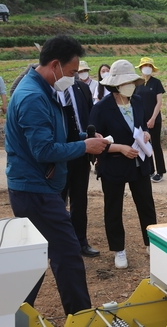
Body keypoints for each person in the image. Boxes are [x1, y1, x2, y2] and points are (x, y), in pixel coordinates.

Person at [5, 35, 108, 315]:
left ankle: (16, 313)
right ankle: (82, 317)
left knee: (37, 255)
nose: (75, 79)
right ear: (55, 65)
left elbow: (53, 134)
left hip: (38, 187)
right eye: (73, 72)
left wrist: (84, 138)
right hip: (35, 189)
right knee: (67, 253)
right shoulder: (33, 97)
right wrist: (84, 146)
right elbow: (43, 149)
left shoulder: (44, 90)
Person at [89, 59, 157, 269]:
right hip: (114, 164)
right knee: (113, 207)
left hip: (139, 162)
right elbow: (95, 142)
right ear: (116, 84)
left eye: (132, 82)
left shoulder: (136, 102)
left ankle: (151, 244)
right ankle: (119, 249)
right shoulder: (101, 108)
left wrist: (146, 133)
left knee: (146, 204)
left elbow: (141, 125)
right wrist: (119, 148)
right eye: (127, 82)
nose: (131, 86)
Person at [59, 76, 100, 258]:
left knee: (80, 199)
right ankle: (58, 244)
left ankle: (80, 241)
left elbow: (90, 116)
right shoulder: (47, 88)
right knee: (57, 201)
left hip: (82, 151)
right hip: (58, 154)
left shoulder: (82, 88)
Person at [134, 57, 166, 183]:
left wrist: (153, 118)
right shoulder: (137, 83)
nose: (147, 68)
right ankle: (149, 169)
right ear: (141, 68)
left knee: (156, 145)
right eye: (144, 65)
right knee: (144, 145)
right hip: (141, 120)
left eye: (149, 66)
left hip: (154, 119)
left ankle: (160, 171)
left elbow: (159, 102)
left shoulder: (156, 83)